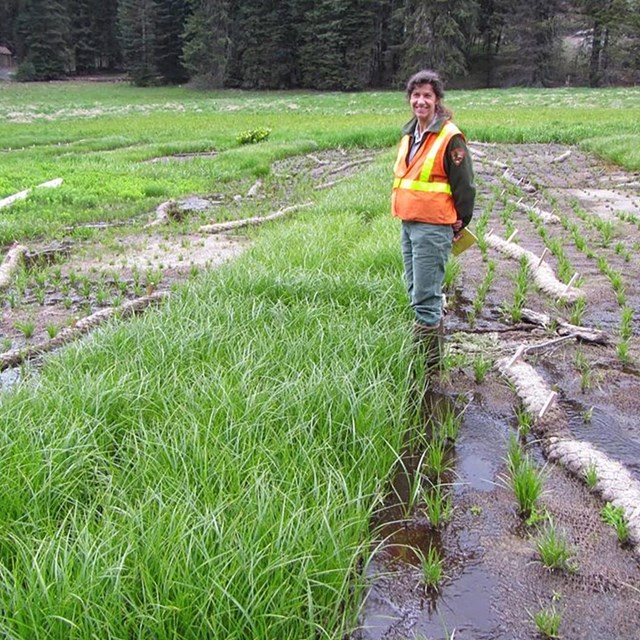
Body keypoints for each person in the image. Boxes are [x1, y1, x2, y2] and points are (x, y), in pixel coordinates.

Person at [391, 69, 475, 367]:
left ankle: (429, 368)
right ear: (409, 99)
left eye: (427, 95)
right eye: (416, 95)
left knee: (426, 296)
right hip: (409, 223)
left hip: (433, 226)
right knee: (415, 290)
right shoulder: (409, 133)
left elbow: (465, 185)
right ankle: (425, 358)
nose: (421, 101)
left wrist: (461, 221)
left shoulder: (449, 137)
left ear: (437, 100)